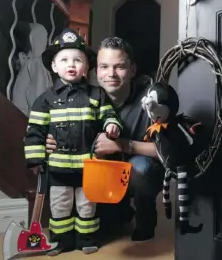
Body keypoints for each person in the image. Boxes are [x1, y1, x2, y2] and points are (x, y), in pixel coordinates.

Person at [45, 37, 165, 242]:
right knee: (105, 227)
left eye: (119, 67)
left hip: (137, 167)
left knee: (141, 168)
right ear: (95, 70)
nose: (111, 74)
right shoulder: (84, 98)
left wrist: (122, 144)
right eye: (104, 66)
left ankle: (146, 219)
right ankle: (117, 213)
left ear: (133, 70)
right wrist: (51, 140)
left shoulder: (151, 101)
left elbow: (165, 150)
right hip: (101, 171)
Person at [23, 29, 123, 256]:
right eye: (64, 60)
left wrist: (111, 125)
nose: (71, 64)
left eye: (78, 60)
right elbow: (35, 131)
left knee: (87, 206)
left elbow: (109, 115)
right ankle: (61, 241)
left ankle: (86, 239)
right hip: (58, 169)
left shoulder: (97, 95)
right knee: (60, 206)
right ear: (54, 67)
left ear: (86, 66)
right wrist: (36, 157)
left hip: (89, 168)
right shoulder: (44, 100)